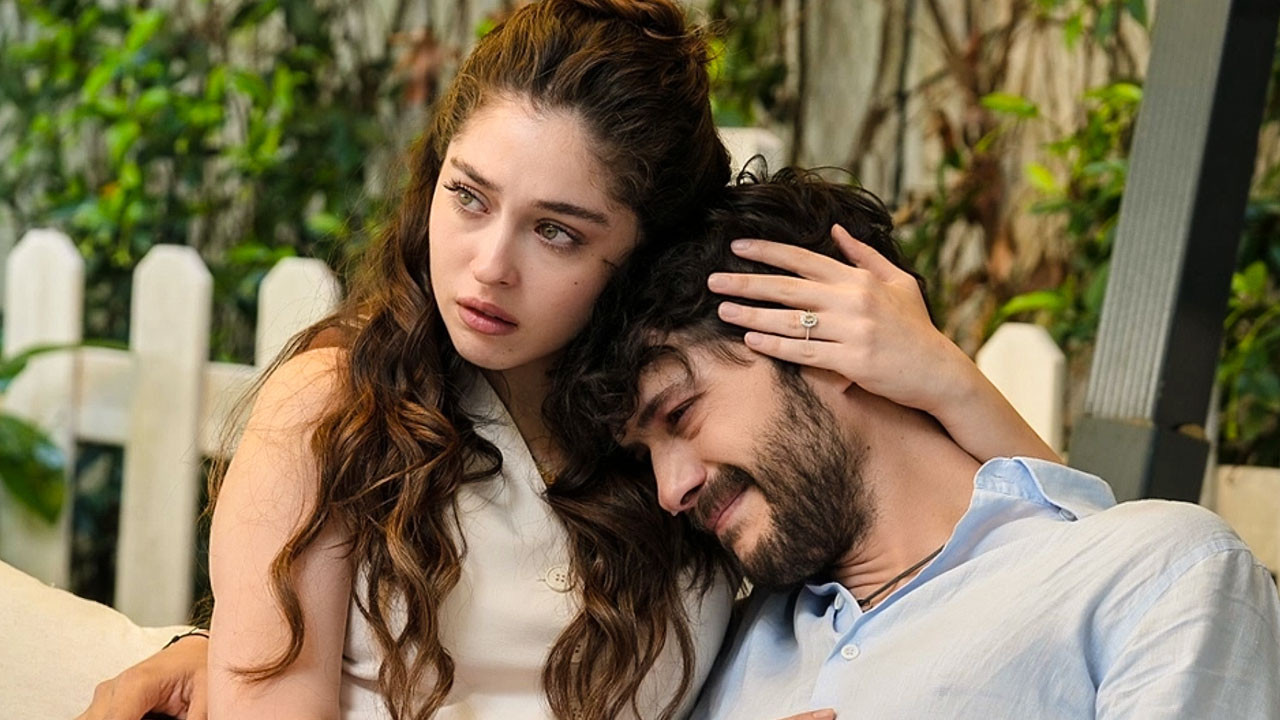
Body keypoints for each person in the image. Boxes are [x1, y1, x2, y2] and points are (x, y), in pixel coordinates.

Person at [0, 3, 1054, 720]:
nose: (487, 267)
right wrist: (219, 650)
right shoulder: (333, 409)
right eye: (468, 197)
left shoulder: (674, 446)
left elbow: (1046, 571)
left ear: (640, 246)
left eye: (556, 231)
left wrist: (943, 376)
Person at [563, 167, 1280, 718]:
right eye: (646, 456)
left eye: (680, 414)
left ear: (826, 344)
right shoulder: (714, 650)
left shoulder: (1149, 575)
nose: (670, 489)